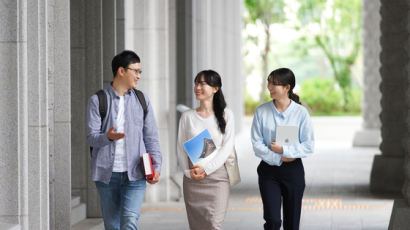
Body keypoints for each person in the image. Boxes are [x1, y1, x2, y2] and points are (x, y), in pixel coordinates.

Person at [86, 50, 162, 230]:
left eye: (140, 72)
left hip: (135, 173)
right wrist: (107, 137)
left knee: (129, 220)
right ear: (121, 71)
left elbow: (151, 137)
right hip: (107, 175)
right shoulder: (98, 100)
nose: (138, 76)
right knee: (112, 225)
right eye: (135, 71)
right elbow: (91, 138)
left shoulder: (142, 100)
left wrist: (156, 167)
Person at [251, 68, 314, 230]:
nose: (269, 87)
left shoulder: (301, 113)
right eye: (269, 82)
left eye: (274, 84)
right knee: (272, 221)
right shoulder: (261, 112)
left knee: (292, 224)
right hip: (268, 172)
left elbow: (308, 145)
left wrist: (285, 151)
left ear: (287, 87)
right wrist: (278, 157)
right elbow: (257, 145)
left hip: (293, 171)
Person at [177, 70, 235, 230]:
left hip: (217, 178)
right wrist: (188, 173)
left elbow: (227, 147)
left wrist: (207, 168)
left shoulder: (226, 114)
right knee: (197, 226)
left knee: (213, 225)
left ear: (215, 88)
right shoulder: (187, 116)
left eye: (203, 83)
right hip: (193, 178)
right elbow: (181, 148)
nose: (197, 87)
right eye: (196, 83)